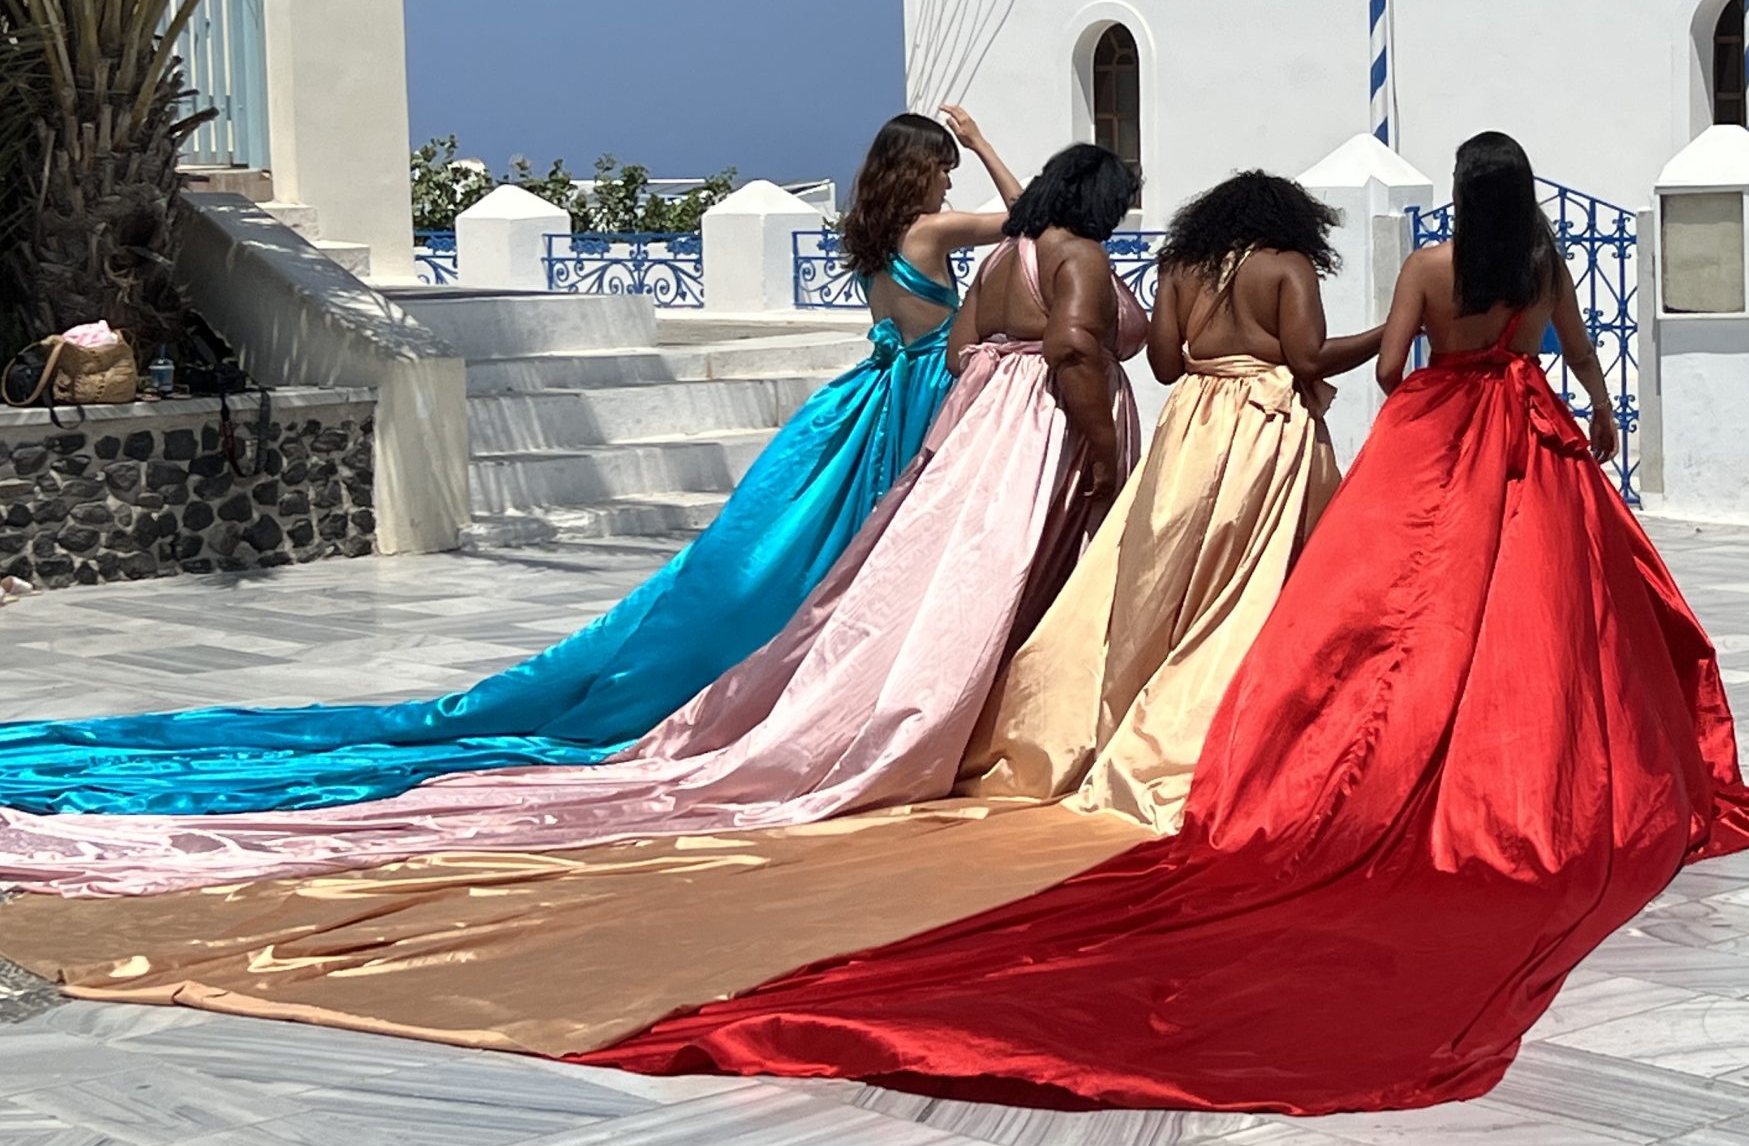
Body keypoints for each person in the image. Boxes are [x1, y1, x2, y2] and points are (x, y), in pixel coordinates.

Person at [583, 132, 1749, 1114]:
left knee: (1148, 596)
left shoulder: (1190, 271)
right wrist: (1574, 403)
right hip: (1338, 435)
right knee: (1392, 608)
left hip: (1190, 438)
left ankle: (1085, 736)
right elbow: (1374, 362)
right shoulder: (1498, 270)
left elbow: (1181, 362)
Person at [0, 145, 1147, 896]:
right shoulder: (950, 237)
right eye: (938, 162)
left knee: (809, 572)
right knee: (856, 575)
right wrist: (1000, 152)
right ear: (924, 176)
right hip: (914, 417)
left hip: (872, 402)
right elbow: (1036, 215)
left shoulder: (884, 237)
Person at [964, 169, 1382, 827]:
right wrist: (1390, 332)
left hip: (1190, 424)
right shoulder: (1286, 265)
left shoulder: (1181, 266)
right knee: (1256, 581)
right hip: (1264, 428)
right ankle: (1231, 725)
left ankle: (1121, 714)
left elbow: (1164, 362)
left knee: (1163, 577)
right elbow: (1308, 358)